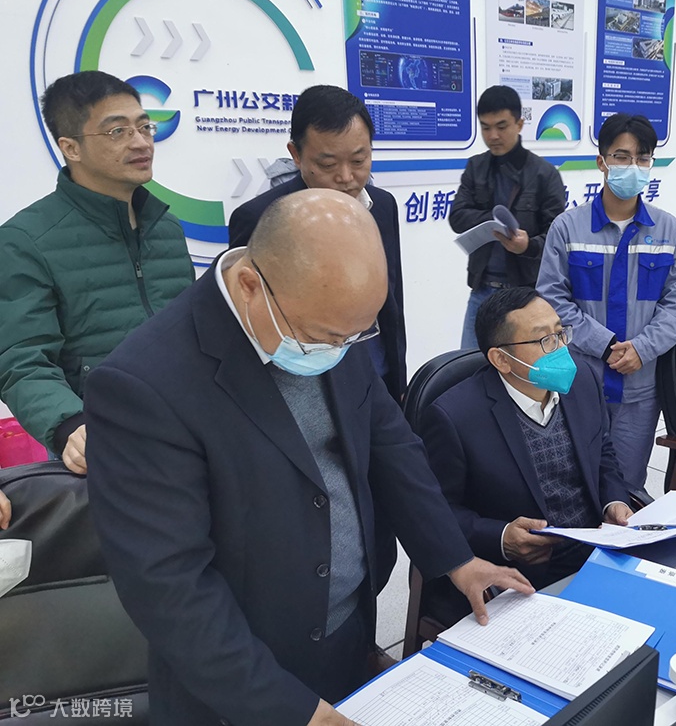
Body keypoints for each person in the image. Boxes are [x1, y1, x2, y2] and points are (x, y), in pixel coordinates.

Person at [86, 189, 533, 726]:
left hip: (346, 633)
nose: (341, 349)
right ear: (250, 286)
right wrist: (294, 711)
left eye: (357, 334)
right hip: (241, 678)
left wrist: (455, 558)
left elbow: (391, 447)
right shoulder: (143, 386)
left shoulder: (330, 319)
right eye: (326, 336)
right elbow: (169, 587)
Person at [0, 70, 193, 483]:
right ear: (70, 147)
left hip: (188, 434)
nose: (141, 142)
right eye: (117, 131)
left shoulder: (166, 227)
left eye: (144, 126)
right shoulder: (26, 239)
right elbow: (22, 360)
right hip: (104, 445)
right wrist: (69, 424)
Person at [419, 287, 632, 624]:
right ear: (501, 359)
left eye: (561, 333)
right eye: (544, 340)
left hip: (599, 549)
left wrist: (614, 502)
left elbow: (602, 450)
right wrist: (502, 536)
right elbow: (436, 511)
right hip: (522, 574)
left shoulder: (582, 379)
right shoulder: (454, 417)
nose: (560, 348)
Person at [537, 113, 676, 490]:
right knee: (571, 481)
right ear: (602, 162)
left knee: (626, 484)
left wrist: (642, 348)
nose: (633, 166)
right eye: (622, 157)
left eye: (643, 158)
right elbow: (551, 298)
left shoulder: (669, 230)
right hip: (578, 380)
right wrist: (604, 344)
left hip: (639, 386)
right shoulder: (567, 227)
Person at [228, 85, 406, 403]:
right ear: (296, 154)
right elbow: (250, 321)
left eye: (359, 160)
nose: (346, 177)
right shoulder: (260, 218)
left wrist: (398, 379)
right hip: (307, 387)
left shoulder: (383, 205)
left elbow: (393, 300)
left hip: (376, 374)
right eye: (327, 165)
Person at [449, 85, 565, 349]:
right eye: (485, 127)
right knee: (470, 364)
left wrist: (528, 246)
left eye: (501, 126)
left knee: (523, 364)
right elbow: (457, 216)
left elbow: (556, 238)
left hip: (525, 295)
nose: (493, 136)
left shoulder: (544, 175)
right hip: (482, 290)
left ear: (519, 124)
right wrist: (491, 219)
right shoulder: (476, 167)